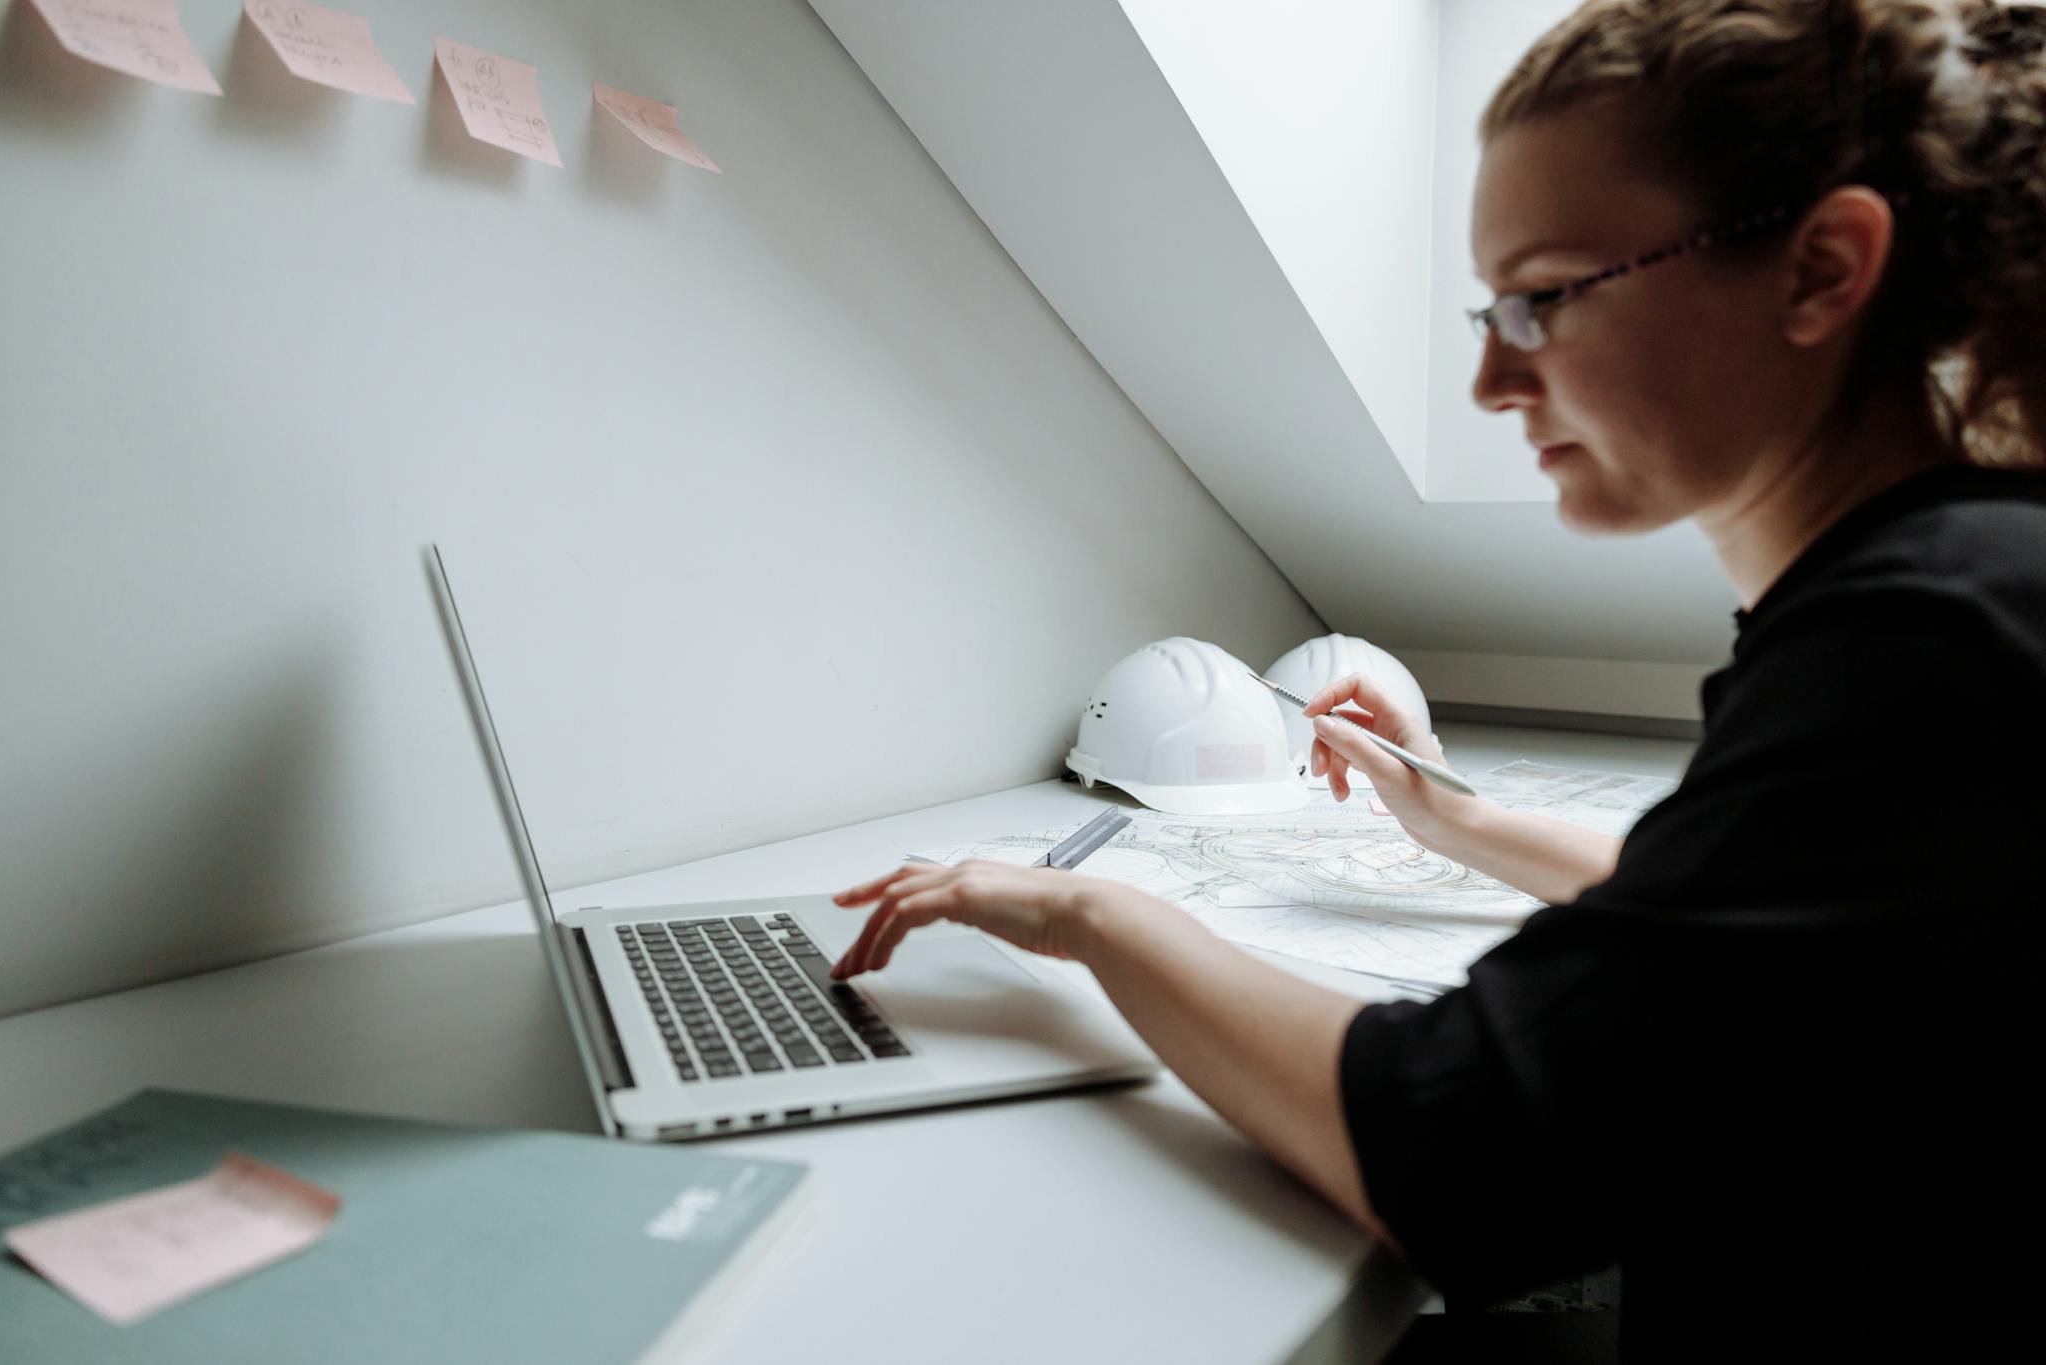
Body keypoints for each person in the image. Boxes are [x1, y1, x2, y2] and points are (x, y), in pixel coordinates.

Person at [831, 0, 2046, 1355]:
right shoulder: (1963, 590)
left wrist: (1091, 916)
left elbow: (1456, 1146)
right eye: (1490, 308)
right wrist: (1453, 817)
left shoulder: (1930, 639)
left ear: (1821, 270)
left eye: (1546, 298)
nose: (1490, 379)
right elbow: (1756, 916)